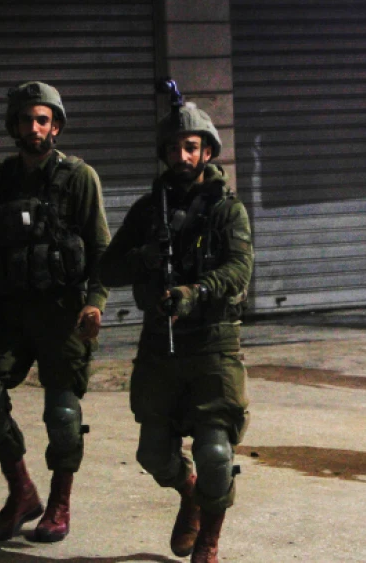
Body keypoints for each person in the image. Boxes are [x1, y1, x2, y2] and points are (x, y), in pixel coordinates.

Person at [99, 100, 252, 563]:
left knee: (215, 454)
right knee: (152, 455)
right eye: (174, 148)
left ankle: (208, 539)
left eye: (191, 147)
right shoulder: (148, 210)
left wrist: (196, 291)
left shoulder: (227, 210)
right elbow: (107, 267)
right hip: (158, 348)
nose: (182, 157)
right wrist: (145, 256)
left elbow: (240, 270)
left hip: (212, 343)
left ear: (207, 151)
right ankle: (191, 497)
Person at [0, 81, 110, 541]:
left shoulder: (78, 177)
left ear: (56, 126)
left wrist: (95, 302)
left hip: (61, 311)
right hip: (7, 310)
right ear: (15, 126)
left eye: (42, 119)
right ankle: (22, 491)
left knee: (62, 415)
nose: (34, 127)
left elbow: (101, 247)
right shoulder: (0, 180)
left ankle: (60, 505)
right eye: (26, 119)